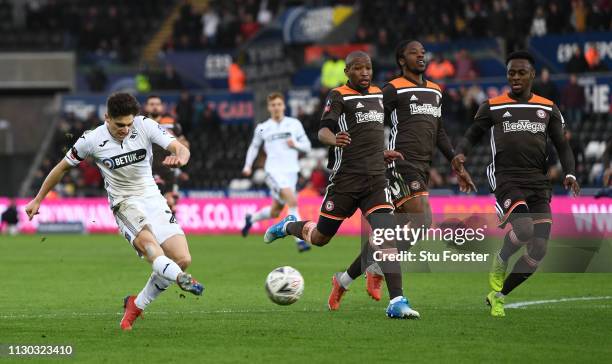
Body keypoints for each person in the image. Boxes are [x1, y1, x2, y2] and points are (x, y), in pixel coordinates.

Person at [25, 93, 203, 330]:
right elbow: (62, 168)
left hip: (153, 198)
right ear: (107, 117)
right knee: (152, 249)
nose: (126, 129)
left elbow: (179, 148)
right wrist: (38, 199)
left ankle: (136, 304)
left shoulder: (144, 125)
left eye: (129, 124)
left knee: (182, 259)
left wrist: (180, 158)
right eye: (120, 125)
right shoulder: (91, 140)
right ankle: (179, 278)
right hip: (124, 204)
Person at [263, 51, 419, 319]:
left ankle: (397, 302)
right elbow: (323, 129)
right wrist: (334, 139)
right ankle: (289, 225)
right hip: (346, 180)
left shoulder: (378, 96)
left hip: (375, 180)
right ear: (347, 72)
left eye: (368, 68)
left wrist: (381, 153)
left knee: (386, 236)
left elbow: (369, 135)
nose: (365, 73)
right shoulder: (339, 95)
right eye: (358, 69)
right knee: (321, 238)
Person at [453, 51, 580, 317]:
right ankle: (501, 258)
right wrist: (461, 153)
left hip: (538, 181)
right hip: (506, 177)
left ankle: (498, 296)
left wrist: (570, 173)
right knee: (523, 229)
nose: (516, 77)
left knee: (540, 248)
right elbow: (472, 134)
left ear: (532, 75)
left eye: (521, 72)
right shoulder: (493, 105)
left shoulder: (548, 107)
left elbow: (562, 145)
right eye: (511, 72)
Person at [361, 40, 476, 299]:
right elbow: (372, 120)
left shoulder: (435, 90)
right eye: (414, 53)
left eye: (423, 53)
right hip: (400, 162)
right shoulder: (393, 89)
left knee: (393, 232)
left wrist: (455, 162)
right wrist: (377, 151)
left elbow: (440, 131)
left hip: (423, 166)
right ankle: (380, 266)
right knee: (423, 221)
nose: (421, 56)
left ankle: (344, 280)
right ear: (402, 60)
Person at [241, 92, 312, 253]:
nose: (276, 108)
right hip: (273, 172)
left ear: (284, 106)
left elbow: (307, 146)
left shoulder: (294, 124)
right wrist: (247, 166)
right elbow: (253, 147)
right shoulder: (262, 127)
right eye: (273, 105)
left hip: (291, 172)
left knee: (275, 211)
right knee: (293, 202)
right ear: (268, 107)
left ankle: (250, 219)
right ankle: (300, 240)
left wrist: (295, 144)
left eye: (279, 104)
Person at [144, 95, 188, 214]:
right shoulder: (140, 124)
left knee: (171, 203)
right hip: (148, 168)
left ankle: (169, 228)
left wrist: (180, 156)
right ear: (146, 107)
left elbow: (184, 144)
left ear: (162, 107)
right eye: (151, 104)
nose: (155, 107)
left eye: (157, 104)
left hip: (168, 167)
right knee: (155, 200)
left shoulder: (170, 123)